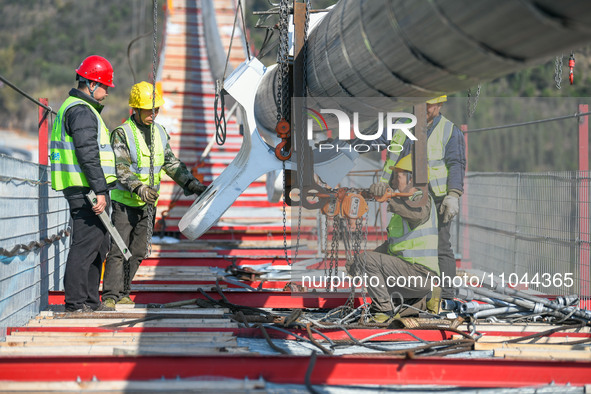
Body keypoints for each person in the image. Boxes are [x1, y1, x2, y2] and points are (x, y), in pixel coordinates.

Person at [101, 81, 207, 309]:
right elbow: (121, 168)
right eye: (149, 110)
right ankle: (110, 295)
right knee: (119, 249)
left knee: (138, 251)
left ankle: (123, 292)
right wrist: (139, 188)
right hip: (125, 203)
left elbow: (170, 163)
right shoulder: (122, 133)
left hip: (148, 205)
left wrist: (191, 184)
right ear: (136, 109)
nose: (154, 114)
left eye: (156, 109)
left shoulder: (159, 132)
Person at [377, 96, 465, 299]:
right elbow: (385, 149)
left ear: (440, 105)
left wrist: (453, 194)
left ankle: (446, 297)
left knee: (441, 246)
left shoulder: (450, 130)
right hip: (406, 196)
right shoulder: (401, 125)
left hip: (437, 198)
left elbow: (456, 164)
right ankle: (407, 292)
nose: (424, 109)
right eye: (420, 104)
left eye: (429, 105)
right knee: (404, 241)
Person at [49, 55, 117, 312]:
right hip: (86, 190)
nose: (107, 92)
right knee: (85, 245)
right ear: (90, 84)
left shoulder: (77, 108)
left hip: (86, 188)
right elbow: (88, 154)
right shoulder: (81, 111)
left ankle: (89, 300)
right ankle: (76, 304)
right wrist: (99, 190)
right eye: (105, 86)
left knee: (98, 244)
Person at [347, 155, 440, 322]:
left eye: (398, 176)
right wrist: (359, 263)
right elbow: (392, 246)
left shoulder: (419, 199)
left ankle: (384, 312)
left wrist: (389, 198)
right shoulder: (404, 206)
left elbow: (418, 214)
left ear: (412, 179)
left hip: (420, 275)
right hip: (414, 275)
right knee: (366, 261)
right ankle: (420, 302)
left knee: (366, 260)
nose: (394, 182)